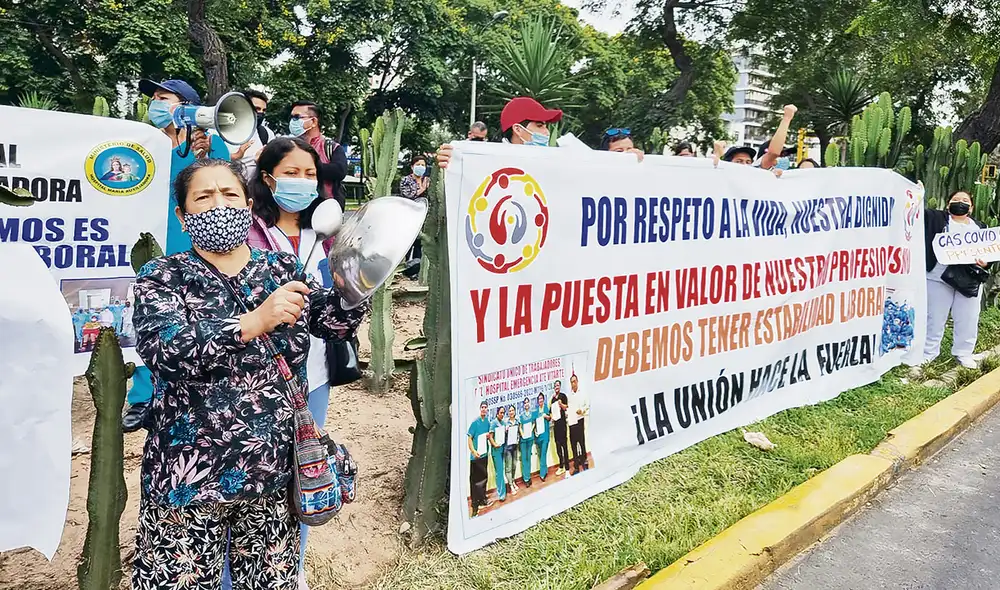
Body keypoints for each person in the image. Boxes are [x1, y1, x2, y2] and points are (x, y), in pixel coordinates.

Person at [129, 158, 367, 590]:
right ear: (183, 216)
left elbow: (329, 324)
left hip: (273, 469)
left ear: (248, 204)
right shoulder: (162, 276)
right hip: (189, 473)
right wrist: (250, 323)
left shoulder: (280, 268)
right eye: (203, 196)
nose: (219, 203)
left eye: (230, 194)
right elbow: (166, 351)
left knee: (270, 582)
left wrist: (355, 287)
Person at [221, 136, 330, 590]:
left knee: (304, 471)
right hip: (252, 381)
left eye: (310, 175)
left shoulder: (324, 234)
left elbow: (333, 307)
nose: (302, 182)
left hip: (314, 375)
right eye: (291, 173)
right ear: (267, 179)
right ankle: (230, 576)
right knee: (243, 484)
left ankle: (291, 568)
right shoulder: (245, 233)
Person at [123, 78, 232, 432]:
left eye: (163, 98)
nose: (156, 103)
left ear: (185, 105)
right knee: (147, 319)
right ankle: (141, 397)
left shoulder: (208, 145)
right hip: (147, 244)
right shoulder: (143, 146)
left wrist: (204, 154)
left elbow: (222, 184)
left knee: (187, 325)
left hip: (188, 246)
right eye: (153, 98)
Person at [923, 190, 990, 368]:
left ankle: (964, 353)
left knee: (968, 317)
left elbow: (988, 251)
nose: (960, 202)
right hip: (938, 277)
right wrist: (916, 192)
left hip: (969, 279)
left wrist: (985, 263)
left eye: (965, 200)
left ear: (971, 207)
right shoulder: (936, 219)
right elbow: (917, 213)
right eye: (955, 199)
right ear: (947, 204)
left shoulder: (980, 227)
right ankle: (928, 353)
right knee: (934, 316)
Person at [436, 97, 563, 168]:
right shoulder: (487, 161)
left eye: (546, 126)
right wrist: (453, 161)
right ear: (518, 129)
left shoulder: (551, 162)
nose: (546, 132)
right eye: (540, 125)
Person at [289, 101, 347, 210]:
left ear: (314, 121)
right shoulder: (287, 147)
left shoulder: (331, 147)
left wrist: (306, 166)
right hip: (294, 210)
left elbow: (339, 171)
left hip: (324, 211)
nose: (293, 121)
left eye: (297, 117)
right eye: (292, 117)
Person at [230, 89, 275, 180]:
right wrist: (235, 156)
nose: (261, 113)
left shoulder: (266, 134)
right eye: (257, 109)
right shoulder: (219, 132)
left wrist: (262, 160)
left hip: (253, 191)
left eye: (264, 110)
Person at [467, 401, 492, 516]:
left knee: (483, 478)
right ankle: (475, 506)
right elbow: (470, 438)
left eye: (486, 408)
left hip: (484, 455)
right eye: (482, 407)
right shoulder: (475, 423)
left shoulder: (487, 422)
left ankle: (483, 499)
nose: (484, 409)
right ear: (479, 408)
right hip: (476, 456)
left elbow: (487, 436)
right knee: (475, 481)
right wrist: (473, 451)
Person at [567, 372, 590, 474]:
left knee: (581, 441)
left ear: (577, 382)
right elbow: (568, 408)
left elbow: (587, 405)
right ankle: (576, 465)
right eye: (571, 382)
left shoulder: (583, 393)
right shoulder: (569, 396)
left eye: (574, 381)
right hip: (572, 421)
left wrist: (582, 410)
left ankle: (584, 461)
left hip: (580, 419)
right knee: (573, 444)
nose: (573, 384)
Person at [550, 379, 571, 477]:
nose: (556, 387)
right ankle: (561, 466)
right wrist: (552, 417)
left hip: (562, 425)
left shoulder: (563, 396)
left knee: (564, 447)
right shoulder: (553, 399)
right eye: (555, 386)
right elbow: (551, 412)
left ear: (560, 386)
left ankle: (567, 468)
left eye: (558, 385)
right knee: (558, 447)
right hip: (556, 426)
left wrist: (561, 404)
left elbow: (566, 407)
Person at [489, 406, 507, 502]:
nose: (502, 414)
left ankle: (503, 491)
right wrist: (495, 444)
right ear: (497, 413)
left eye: (503, 413)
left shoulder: (503, 423)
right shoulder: (493, 423)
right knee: (499, 472)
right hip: (496, 450)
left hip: (502, 449)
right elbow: (490, 437)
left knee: (502, 470)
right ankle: (501, 494)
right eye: (501, 412)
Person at [517, 397, 536, 488]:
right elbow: (520, 427)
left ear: (530, 404)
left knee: (529, 458)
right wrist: (523, 434)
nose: (526, 404)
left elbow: (533, 423)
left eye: (527, 402)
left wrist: (530, 431)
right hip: (523, 440)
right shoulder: (521, 415)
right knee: (524, 459)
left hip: (530, 438)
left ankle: (529, 476)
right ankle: (526, 479)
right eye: (525, 403)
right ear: (523, 405)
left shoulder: (532, 414)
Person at [534, 391, 551, 482]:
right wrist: (535, 431)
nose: (540, 400)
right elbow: (534, 423)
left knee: (543, 453)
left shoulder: (546, 408)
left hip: (545, 435)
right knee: (541, 455)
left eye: (541, 399)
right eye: (539, 399)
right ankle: (545, 470)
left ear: (543, 400)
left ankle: (542, 474)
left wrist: (546, 416)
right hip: (538, 436)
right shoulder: (536, 411)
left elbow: (550, 418)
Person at [503, 403, 520, 496]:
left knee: (514, 466)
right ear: (508, 413)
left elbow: (518, 433)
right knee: (508, 468)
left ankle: (513, 481)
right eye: (509, 411)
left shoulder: (517, 421)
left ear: (515, 411)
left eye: (512, 410)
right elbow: (502, 435)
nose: (511, 412)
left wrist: (518, 438)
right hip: (508, 448)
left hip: (515, 447)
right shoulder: (506, 423)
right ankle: (510, 485)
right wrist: (505, 430)